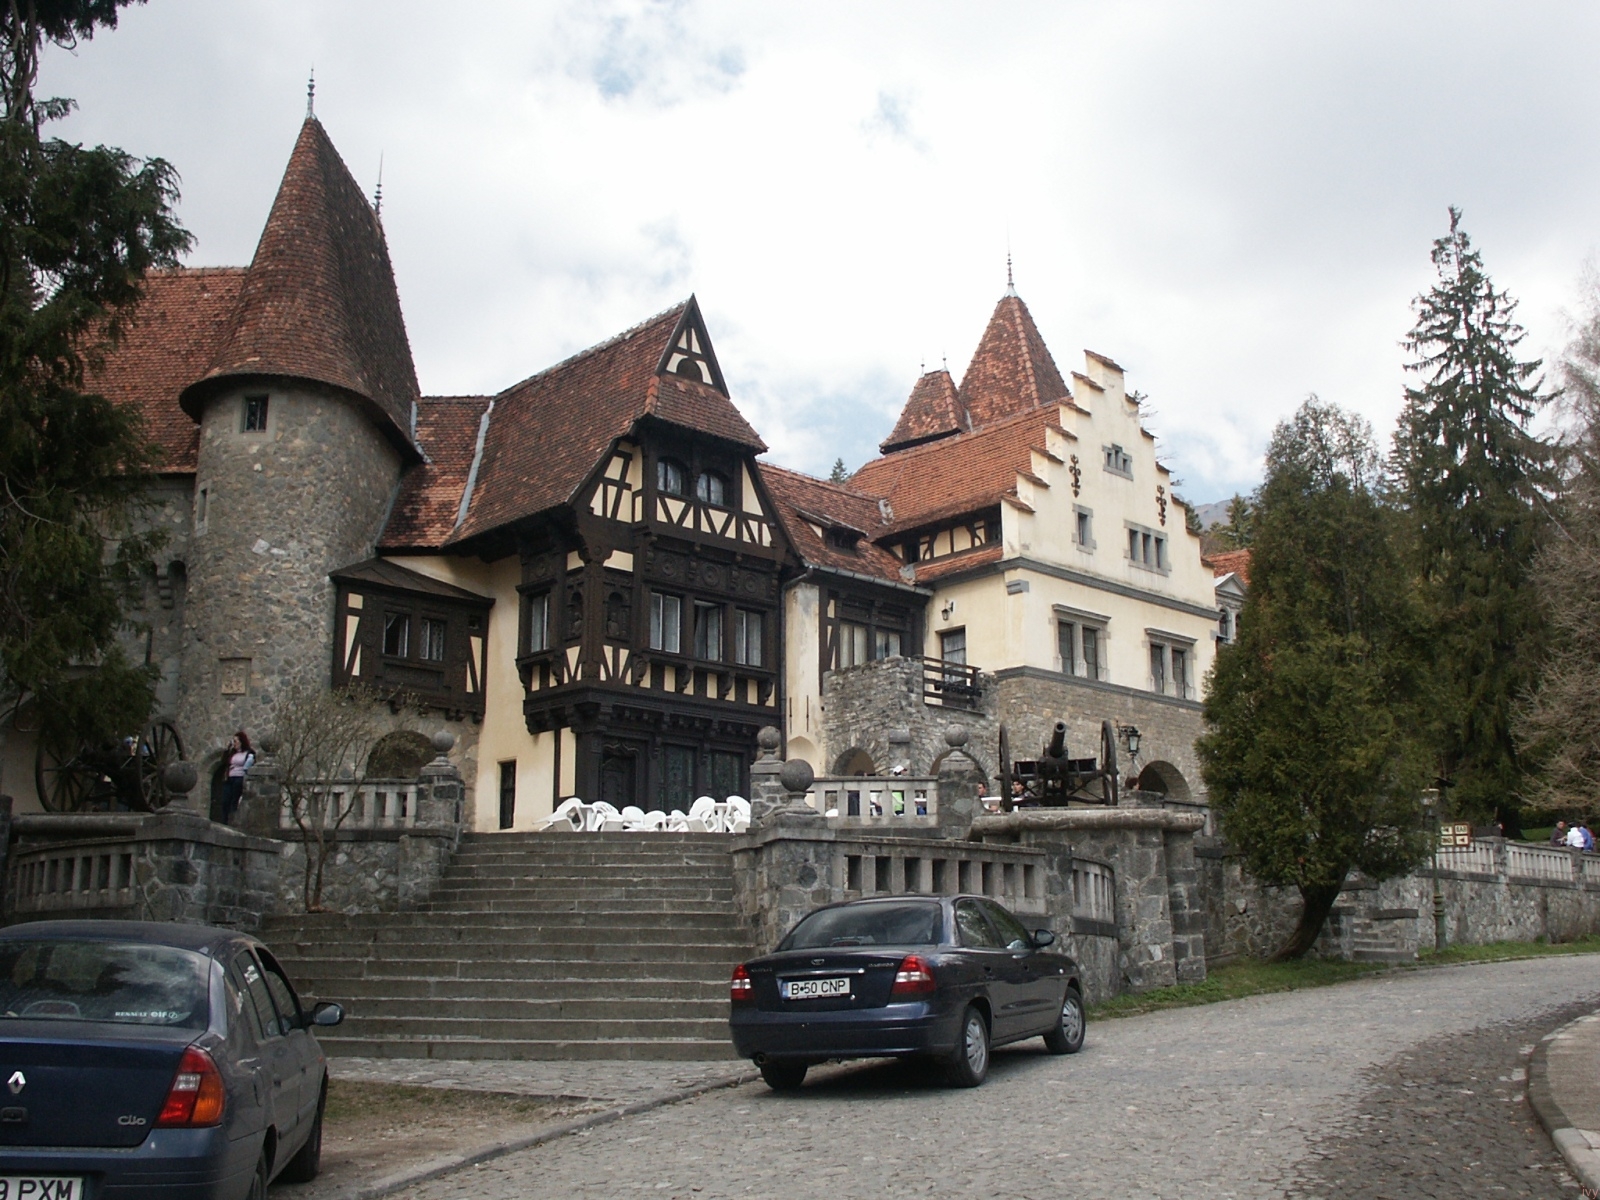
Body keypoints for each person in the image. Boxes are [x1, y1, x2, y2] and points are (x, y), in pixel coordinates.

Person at [220, 731, 254, 825]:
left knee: (234, 799)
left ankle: (232, 820)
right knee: (225, 800)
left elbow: (249, 764)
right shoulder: (232, 753)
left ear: (241, 742)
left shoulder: (248, 753)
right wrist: (227, 749)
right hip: (230, 777)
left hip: (239, 777)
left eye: (235, 741)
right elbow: (224, 761)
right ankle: (224, 820)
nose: (234, 743)